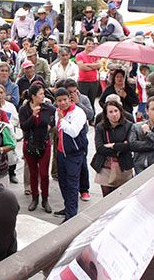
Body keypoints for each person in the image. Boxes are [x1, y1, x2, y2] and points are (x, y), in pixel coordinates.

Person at [19, 83, 55, 212]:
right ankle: (35, 198)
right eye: (40, 94)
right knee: (33, 173)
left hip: (44, 143)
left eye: (43, 94)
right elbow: (24, 126)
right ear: (33, 97)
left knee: (44, 174)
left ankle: (45, 199)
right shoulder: (24, 110)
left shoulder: (48, 108)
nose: (43, 96)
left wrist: (50, 126)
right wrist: (33, 116)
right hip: (29, 144)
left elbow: (53, 120)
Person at [54, 88, 88, 222]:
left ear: (70, 98)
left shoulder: (78, 113)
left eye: (64, 100)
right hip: (61, 152)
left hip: (75, 154)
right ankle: (68, 207)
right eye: (59, 101)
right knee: (63, 182)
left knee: (72, 184)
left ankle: (71, 216)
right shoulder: (58, 112)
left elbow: (73, 131)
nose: (62, 103)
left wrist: (62, 120)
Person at [92, 101, 134, 197]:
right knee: (106, 195)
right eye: (110, 112)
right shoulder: (100, 127)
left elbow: (130, 146)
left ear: (120, 111)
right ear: (106, 114)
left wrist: (113, 146)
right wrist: (120, 147)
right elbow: (99, 148)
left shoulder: (129, 126)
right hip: (104, 166)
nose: (114, 114)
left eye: (116, 111)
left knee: (121, 196)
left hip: (122, 165)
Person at [76, 37, 101, 110]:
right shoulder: (79, 55)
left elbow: (99, 65)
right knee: (83, 101)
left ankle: (92, 119)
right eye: (89, 43)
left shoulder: (95, 55)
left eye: (92, 44)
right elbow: (82, 67)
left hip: (94, 81)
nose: (91, 45)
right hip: (83, 82)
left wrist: (87, 64)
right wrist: (93, 66)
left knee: (92, 101)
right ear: (85, 45)